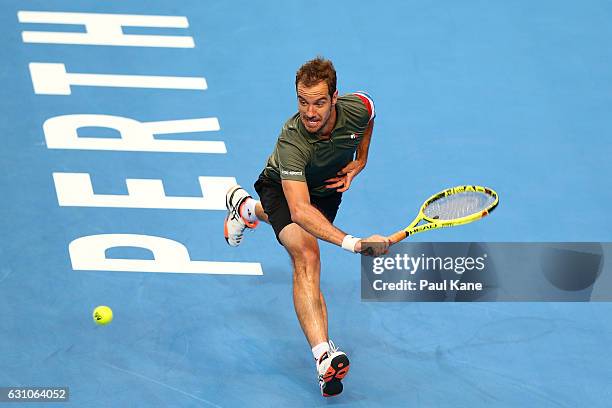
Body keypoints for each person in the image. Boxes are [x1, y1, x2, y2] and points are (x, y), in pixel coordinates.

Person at [224, 57, 390, 397]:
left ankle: (245, 209)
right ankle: (323, 356)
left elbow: (371, 112)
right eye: (302, 101)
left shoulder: (356, 109)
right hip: (283, 189)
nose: (310, 112)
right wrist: (355, 243)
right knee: (306, 254)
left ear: (334, 98)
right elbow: (299, 210)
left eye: (318, 102)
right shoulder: (292, 140)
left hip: (325, 191)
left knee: (302, 236)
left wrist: (362, 157)